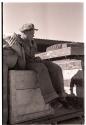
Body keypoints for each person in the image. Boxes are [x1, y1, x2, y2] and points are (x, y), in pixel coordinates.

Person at [3, 23, 70, 124]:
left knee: (56, 68)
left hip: (33, 61)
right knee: (41, 68)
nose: (34, 33)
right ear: (25, 32)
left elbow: (32, 55)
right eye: (32, 32)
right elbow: (9, 52)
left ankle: (61, 97)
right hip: (23, 63)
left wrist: (37, 58)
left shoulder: (32, 42)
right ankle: (51, 100)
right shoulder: (14, 39)